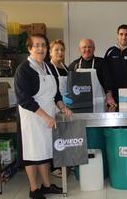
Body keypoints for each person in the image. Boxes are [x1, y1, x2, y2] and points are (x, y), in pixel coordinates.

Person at [14, 34, 72, 199]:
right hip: (32, 118)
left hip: (48, 117)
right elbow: (24, 99)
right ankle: (34, 190)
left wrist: (62, 106)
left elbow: (56, 94)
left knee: (45, 152)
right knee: (32, 154)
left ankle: (46, 185)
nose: (41, 48)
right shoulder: (24, 69)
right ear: (30, 48)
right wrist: (45, 117)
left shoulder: (47, 68)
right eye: (37, 45)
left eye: (43, 46)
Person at [68, 39, 115, 106]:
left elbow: (108, 81)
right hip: (79, 102)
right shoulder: (74, 65)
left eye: (89, 47)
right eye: (84, 47)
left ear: (94, 49)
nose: (87, 49)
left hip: (98, 101)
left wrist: (109, 95)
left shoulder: (102, 63)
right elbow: (70, 85)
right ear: (79, 49)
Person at [48, 39, 68, 178]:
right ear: (50, 52)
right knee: (54, 137)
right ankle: (54, 167)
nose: (60, 52)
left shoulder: (65, 67)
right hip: (54, 107)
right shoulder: (48, 68)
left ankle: (64, 164)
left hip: (65, 106)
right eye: (57, 50)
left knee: (64, 136)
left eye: (62, 50)